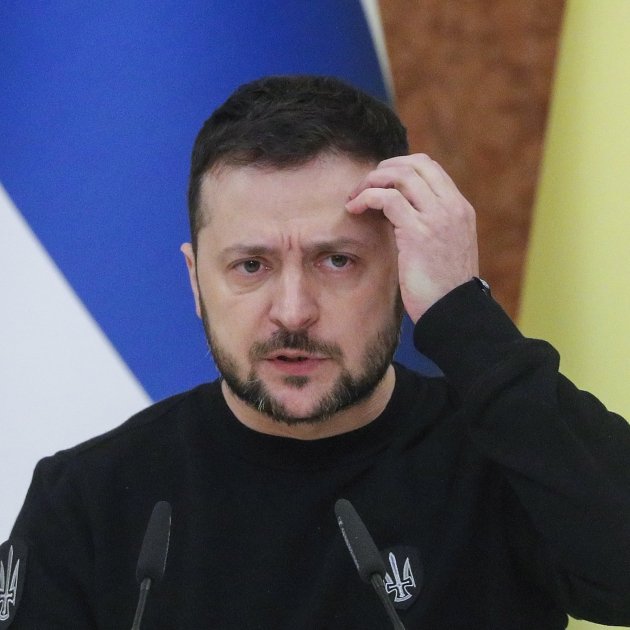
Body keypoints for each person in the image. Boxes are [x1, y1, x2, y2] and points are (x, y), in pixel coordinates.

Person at [4, 75, 630, 629]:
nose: (293, 311)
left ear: (401, 269)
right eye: (251, 266)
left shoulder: (508, 457)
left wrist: (462, 311)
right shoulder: (86, 500)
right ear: (195, 282)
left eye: (337, 261)